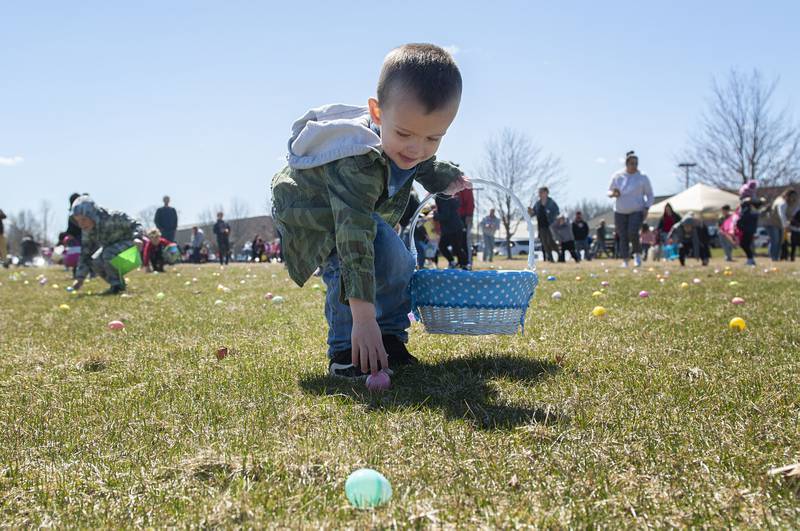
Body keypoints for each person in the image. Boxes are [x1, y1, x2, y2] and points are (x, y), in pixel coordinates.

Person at [271, 43, 468, 380]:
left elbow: (421, 164)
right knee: (352, 261)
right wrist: (364, 321)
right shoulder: (357, 161)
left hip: (354, 214)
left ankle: (389, 338)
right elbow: (353, 243)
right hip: (314, 212)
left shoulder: (409, 147)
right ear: (377, 114)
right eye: (404, 133)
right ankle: (346, 349)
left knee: (398, 259)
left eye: (433, 137)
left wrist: (446, 176)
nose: (417, 148)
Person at [69, 196, 143, 295]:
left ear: (92, 215)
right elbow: (85, 253)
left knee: (108, 253)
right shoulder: (88, 230)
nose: (81, 224)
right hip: (113, 253)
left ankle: (117, 286)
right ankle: (117, 285)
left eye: (83, 219)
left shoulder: (113, 217)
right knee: (94, 261)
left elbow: (136, 224)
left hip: (134, 250)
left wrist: (137, 237)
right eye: (78, 221)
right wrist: (80, 278)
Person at [608, 151, 654, 267]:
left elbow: (650, 194)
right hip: (620, 211)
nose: (634, 166)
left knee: (633, 232)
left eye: (636, 163)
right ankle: (625, 260)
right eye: (632, 163)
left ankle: (637, 255)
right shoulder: (618, 176)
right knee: (623, 235)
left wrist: (647, 207)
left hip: (637, 210)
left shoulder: (642, 177)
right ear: (626, 164)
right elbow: (609, 191)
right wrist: (613, 193)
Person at [764, 189, 799, 262]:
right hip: (771, 223)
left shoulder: (788, 203)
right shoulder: (782, 203)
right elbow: (782, 216)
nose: (793, 199)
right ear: (787, 196)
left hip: (779, 224)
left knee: (780, 241)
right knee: (775, 240)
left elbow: (789, 216)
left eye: (795, 197)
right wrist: (786, 226)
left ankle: (776, 257)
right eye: (792, 197)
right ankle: (773, 258)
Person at [434, 194, 468, 268]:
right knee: (455, 247)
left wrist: (435, 215)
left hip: (452, 228)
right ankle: (460, 263)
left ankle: (463, 263)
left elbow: (445, 216)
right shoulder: (447, 199)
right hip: (454, 228)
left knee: (445, 246)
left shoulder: (444, 201)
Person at [531, 187, 559, 262]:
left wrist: (550, 215)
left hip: (550, 225)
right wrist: (530, 212)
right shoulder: (537, 203)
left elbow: (557, 212)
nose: (539, 194)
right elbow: (533, 213)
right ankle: (551, 258)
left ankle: (559, 254)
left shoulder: (551, 202)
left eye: (541, 192)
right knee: (544, 243)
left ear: (546, 193)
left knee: (551, 242)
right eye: (539, 192)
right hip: (541, 226)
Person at [456, 186, 474, 266]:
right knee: (457, 240)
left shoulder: (465, 185)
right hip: (455, 217)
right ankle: (461, 261)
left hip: (464, 216)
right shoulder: (450, 184)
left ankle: (468, 262)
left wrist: (469, 215)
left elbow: (470, 201)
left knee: (465, 240)